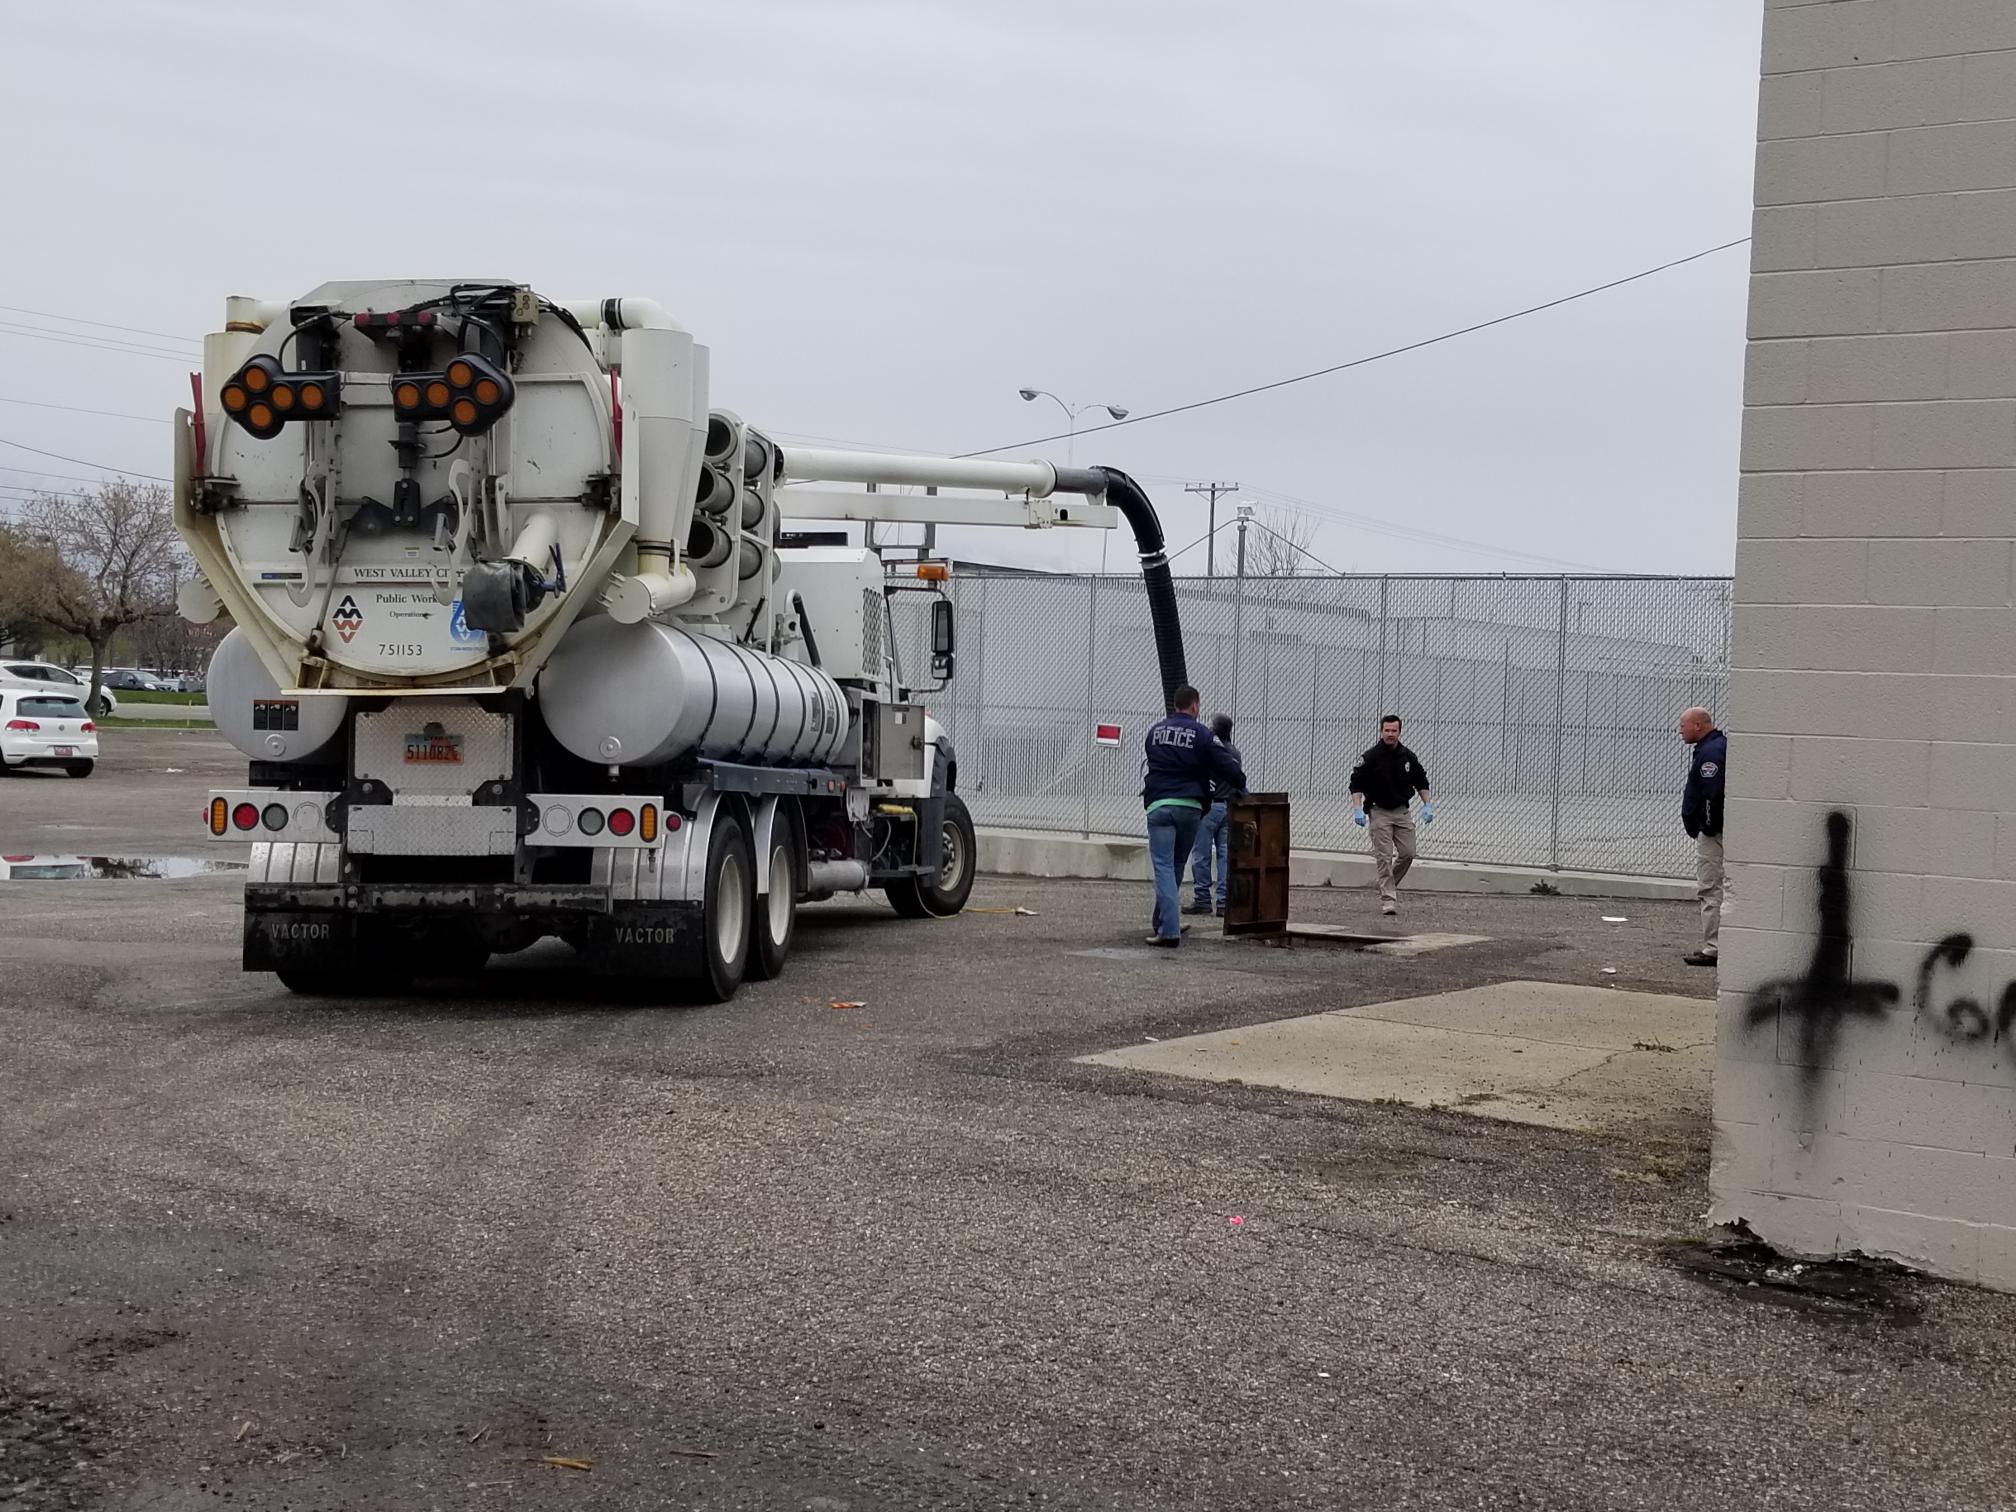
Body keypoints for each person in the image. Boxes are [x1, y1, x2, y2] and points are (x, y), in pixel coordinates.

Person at [1141, 686, 1246, 947]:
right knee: (1175, 865)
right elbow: (1228, 766)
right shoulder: (1203, 735)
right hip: (1190, 807)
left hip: (1159, 805)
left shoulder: (1154, 732)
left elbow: (1152, 762)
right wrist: (1240, 785)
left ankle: (1168, 928)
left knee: (1163, 866)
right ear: (1195, 706)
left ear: (1175, 705)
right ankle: (1166, 923)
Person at [1348, 714, 1433, 917]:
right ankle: (1388, 900)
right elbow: (1356, 783)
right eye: (1387, 730)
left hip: (1401, 811)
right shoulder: (1370, 757)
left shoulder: (1408, 757)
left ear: (1399, 732)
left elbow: (1421, 781)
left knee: (1408, 853)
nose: (1390, 734)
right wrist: (1357, 808)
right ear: (1381, 731)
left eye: (1394, 730)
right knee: (1384, 857)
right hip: (1379, 812)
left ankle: (1388, 884)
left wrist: (1428, 805)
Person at [1679, 706, 1726, 967]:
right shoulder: (1712, 748)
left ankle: (1714, 948)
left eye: (1683, 725)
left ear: (1698, 725)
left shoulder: (1711, 752)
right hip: (1715, 830)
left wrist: (1707, 826)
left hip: (1713, 834)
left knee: (1710, 887)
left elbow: (1712, 793)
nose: (1680, 731)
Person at [1186, 714, 1244, 917]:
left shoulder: (1210, 751)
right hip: (1228, 807)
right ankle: (1223, 902)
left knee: (1201, 854)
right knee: (1224, 856)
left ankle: (1202, 899)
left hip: (1208, 807)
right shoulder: (1235, 753)